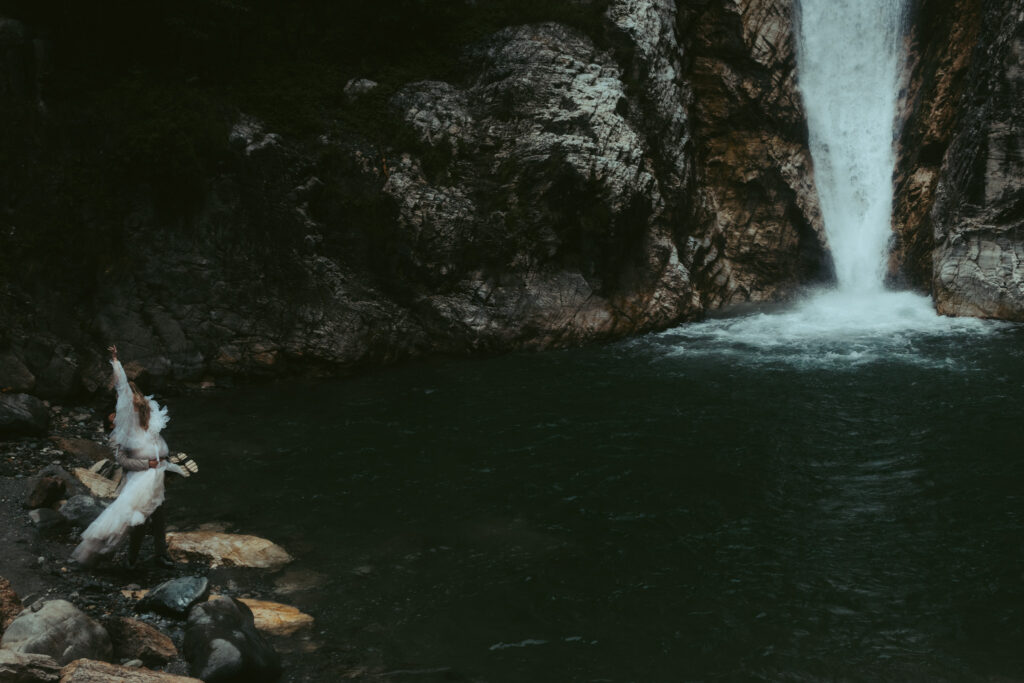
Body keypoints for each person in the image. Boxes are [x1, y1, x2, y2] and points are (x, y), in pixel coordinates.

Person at [71, 345, 186, 568]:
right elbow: (123, 462)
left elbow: (156, 447)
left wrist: (167, 463)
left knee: (160, 517)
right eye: (114, 416)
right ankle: (127, 559)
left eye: (135, 396)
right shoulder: (121, 435)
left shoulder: (146, 425)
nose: (130, 401)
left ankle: (160, 554)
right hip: (138, 481)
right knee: (137, 522)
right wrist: (116, 363)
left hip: (156, 477)